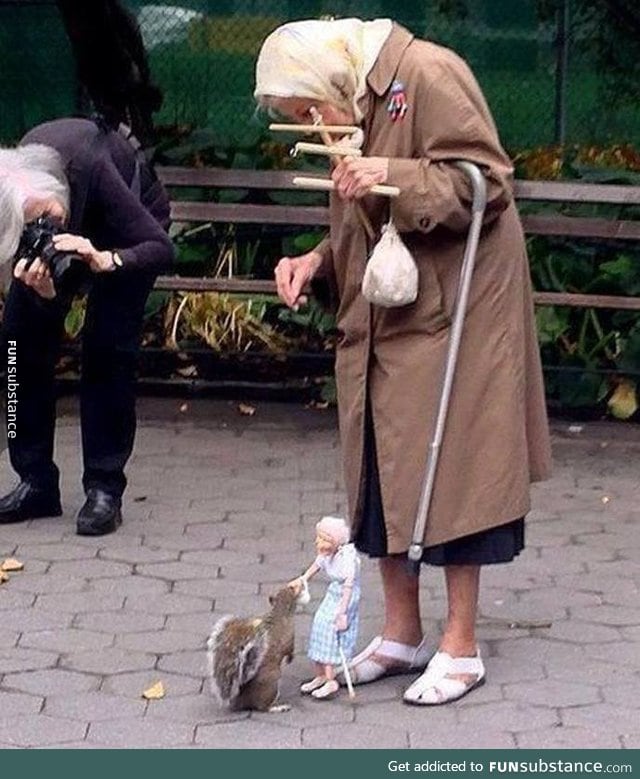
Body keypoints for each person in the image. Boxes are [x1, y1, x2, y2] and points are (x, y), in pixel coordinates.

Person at [255, 18, 552, 705]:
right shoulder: (354, 107)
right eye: (297, 118)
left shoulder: (428, 74)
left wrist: (393, 172)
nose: (310, 122)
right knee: (381, 464)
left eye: (308, 108)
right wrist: (317, 261)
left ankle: (462, 645)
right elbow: (366, 227)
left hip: (461, 311)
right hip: (389, 312)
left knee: (457, 470)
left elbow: (488, 183)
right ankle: (400, 632)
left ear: (334, 78)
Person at [0, 117, 174, 535]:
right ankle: (35, 480)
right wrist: (43, 297)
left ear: (55, 190)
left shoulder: (92, 167)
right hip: (54, 226)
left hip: (129, 234)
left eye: (48, 217)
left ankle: (104, 488)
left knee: (107, 347)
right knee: (15, 344)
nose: (47, 230)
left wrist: (107, 259)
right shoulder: (11, 186)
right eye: (32, 228)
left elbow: (160, 248)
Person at [289, 516, 361, 700]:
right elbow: (316, 566)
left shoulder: (346, 559)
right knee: (319, 625)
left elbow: (348, 586)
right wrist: (303, 579)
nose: (318, 542)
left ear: (335, 541)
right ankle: (320, 674)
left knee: (331, 632)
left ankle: (331, 679)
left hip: (345, 597)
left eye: (323, 539)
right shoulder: (327, 555)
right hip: (334, 593)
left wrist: (342, 611)